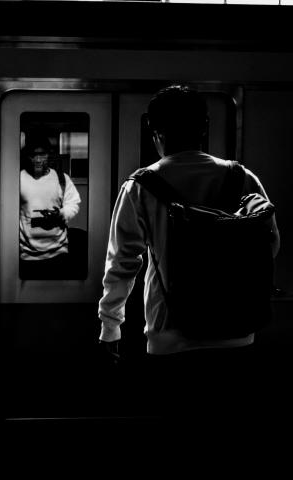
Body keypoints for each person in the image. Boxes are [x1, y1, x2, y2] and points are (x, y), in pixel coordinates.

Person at [97, 85, 280, 418]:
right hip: (238, 331)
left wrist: (111, 325)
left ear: (155, 131)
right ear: (204, 127)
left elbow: (122, 263)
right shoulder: (243, 178)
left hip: (170, 336)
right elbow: (270, 244)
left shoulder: (140, 187)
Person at [19, 134, 81, 279]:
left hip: (58, 253)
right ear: (28, 156)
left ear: (48, 155)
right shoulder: (18, 178)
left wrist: (61, 213)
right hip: (27, 256)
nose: (38, 160)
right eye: (33, 155)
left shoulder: (61, 178)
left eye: (42, 154)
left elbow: (73, 203)